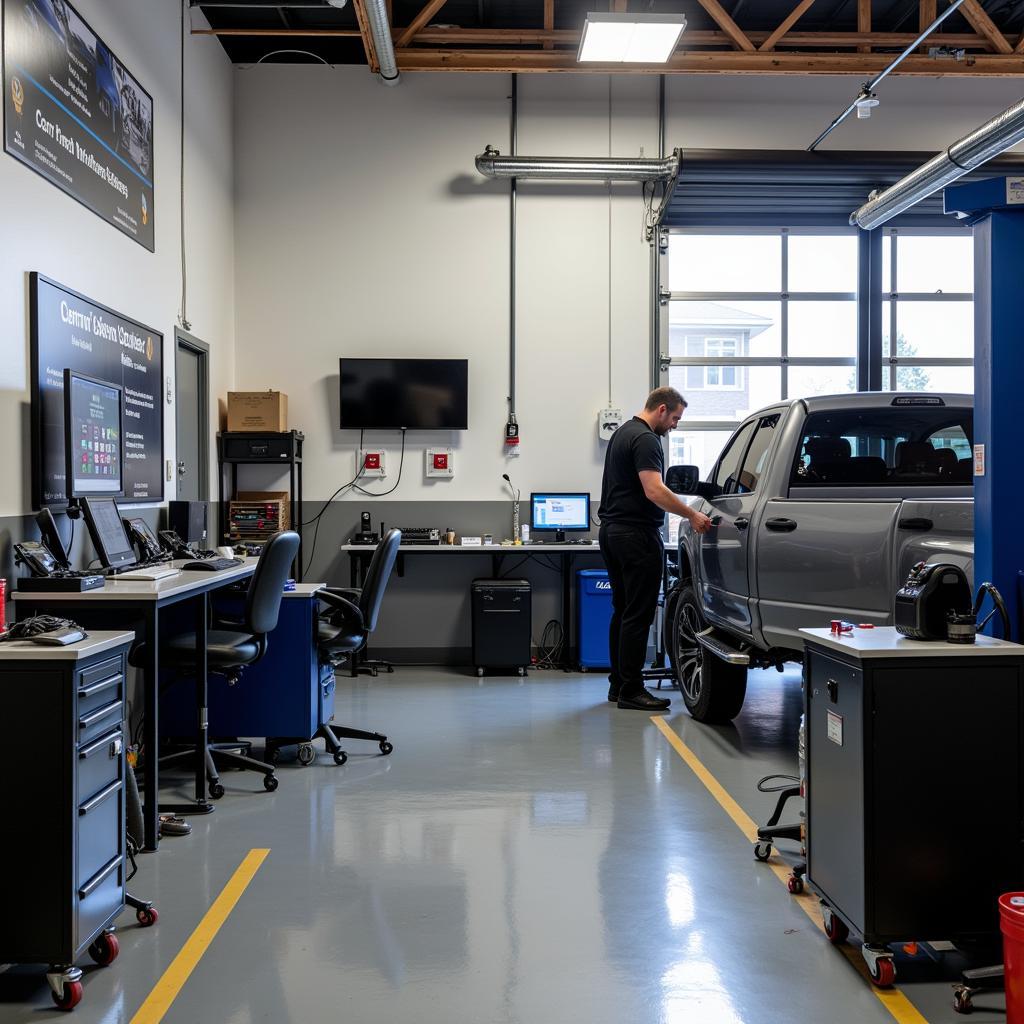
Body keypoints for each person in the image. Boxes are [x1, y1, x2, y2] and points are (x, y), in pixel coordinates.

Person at [598, 387, 712, 711]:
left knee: (622, 610)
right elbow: (654, 490)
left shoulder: (622, 434)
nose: (675, 425)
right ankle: (632, 690)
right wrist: (692, 514)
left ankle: (618, 684)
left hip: (612, 533)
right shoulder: (646, 439)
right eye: (675, 418)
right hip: (635, 536)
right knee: (638, 613)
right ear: (662, 409)